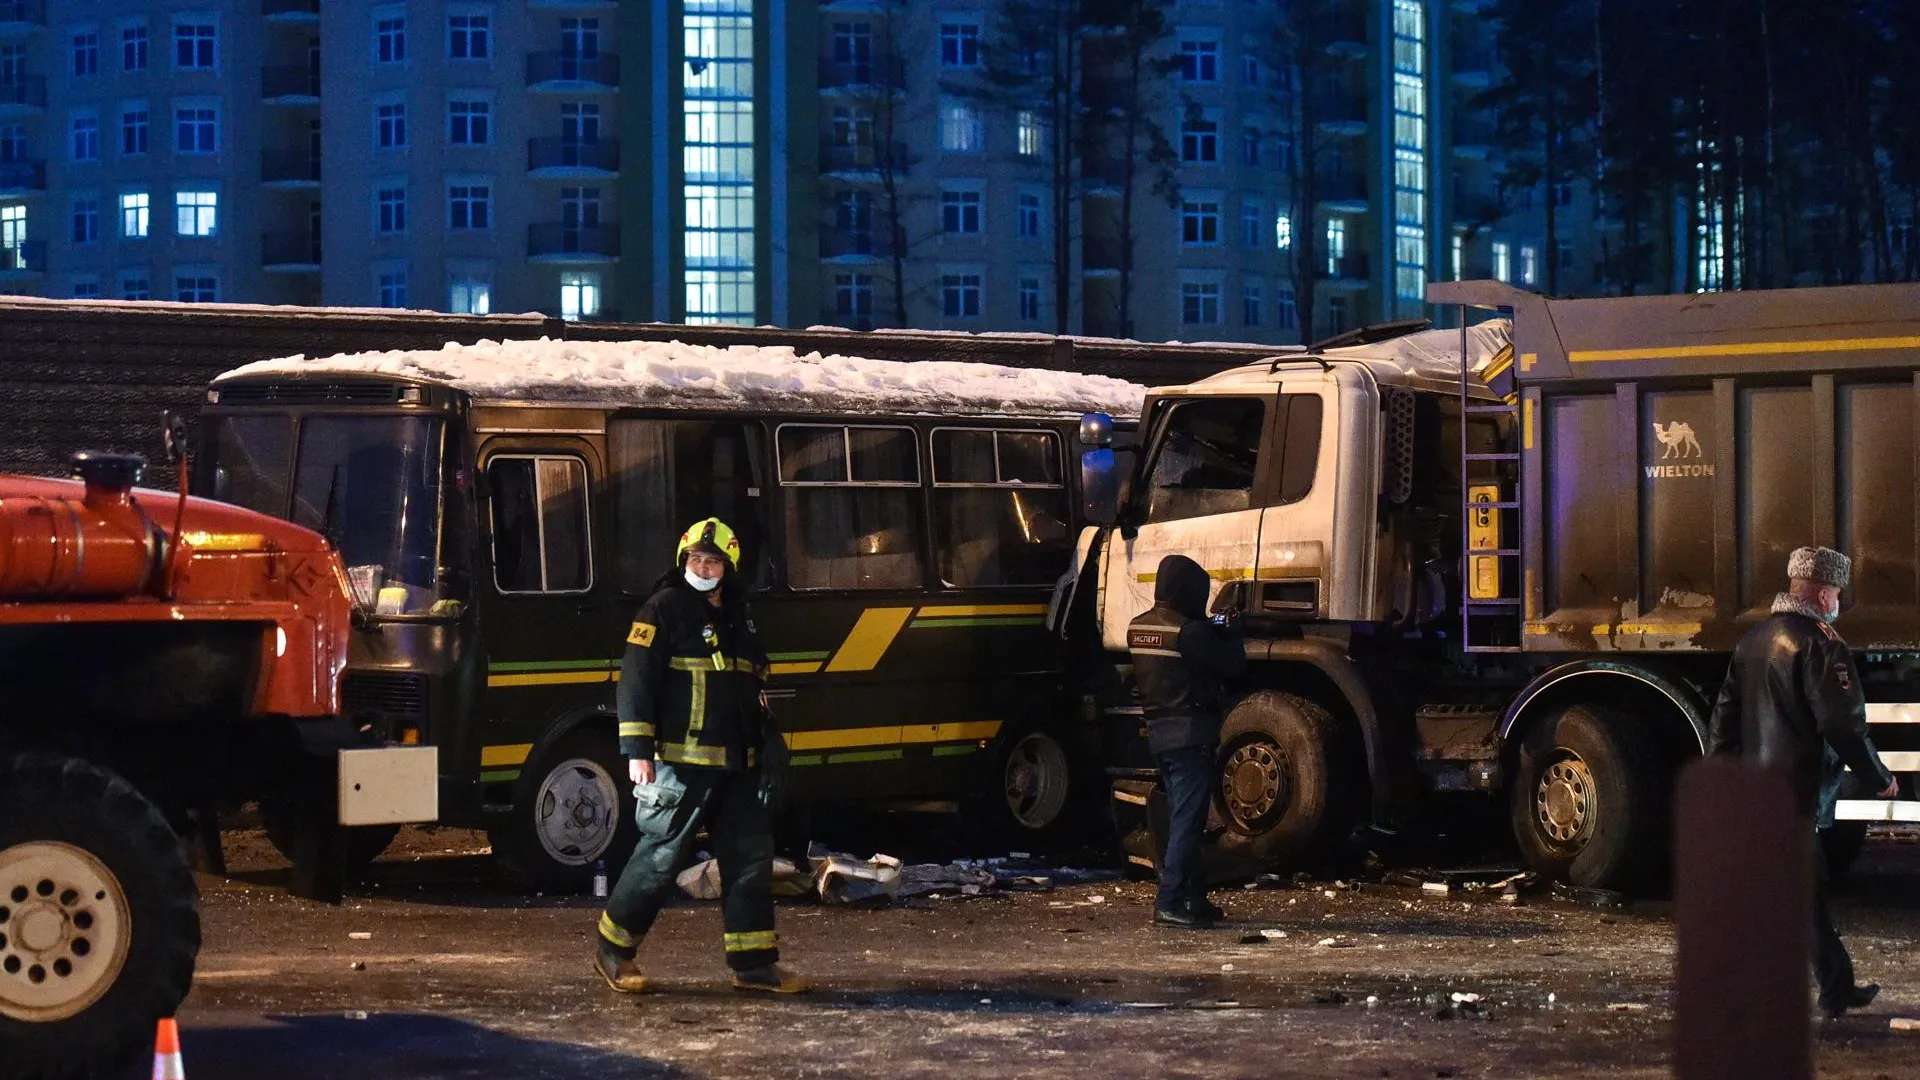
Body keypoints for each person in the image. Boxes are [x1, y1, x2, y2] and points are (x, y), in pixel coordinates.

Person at [593, 517, 813, 995]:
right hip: (681, 761)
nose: (703, 567)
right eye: (696, 559)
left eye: (713, 561)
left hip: (740, 763)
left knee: (750, 862)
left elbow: (753, 679)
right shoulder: (662, 609)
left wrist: (765, 733)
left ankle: (753, 965)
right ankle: (613, 950)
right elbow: (635, 683)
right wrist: (637, 752)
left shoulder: (739, 613)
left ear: (728, 568)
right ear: (683, 561)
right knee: (659, 858)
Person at [1708, 545, 1899, 1019]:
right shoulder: (1821, 642)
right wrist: (1878, 777)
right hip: (1793, 794)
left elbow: (1724, 720)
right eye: (1836, 592)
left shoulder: (1753, 640)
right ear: (1820, 592)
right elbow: (1843, 724)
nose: (1838, 601)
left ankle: (1835, 986)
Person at [1128, 553, 1245, 929]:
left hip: (1160, 734)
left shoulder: (1138, 626)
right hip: (1190, 733)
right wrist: (1228, 631)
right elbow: (1232, 664)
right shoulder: (1189, 631)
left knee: (1184, 817)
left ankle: (1194, 898)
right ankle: (1171, 900)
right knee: (1188, 822)